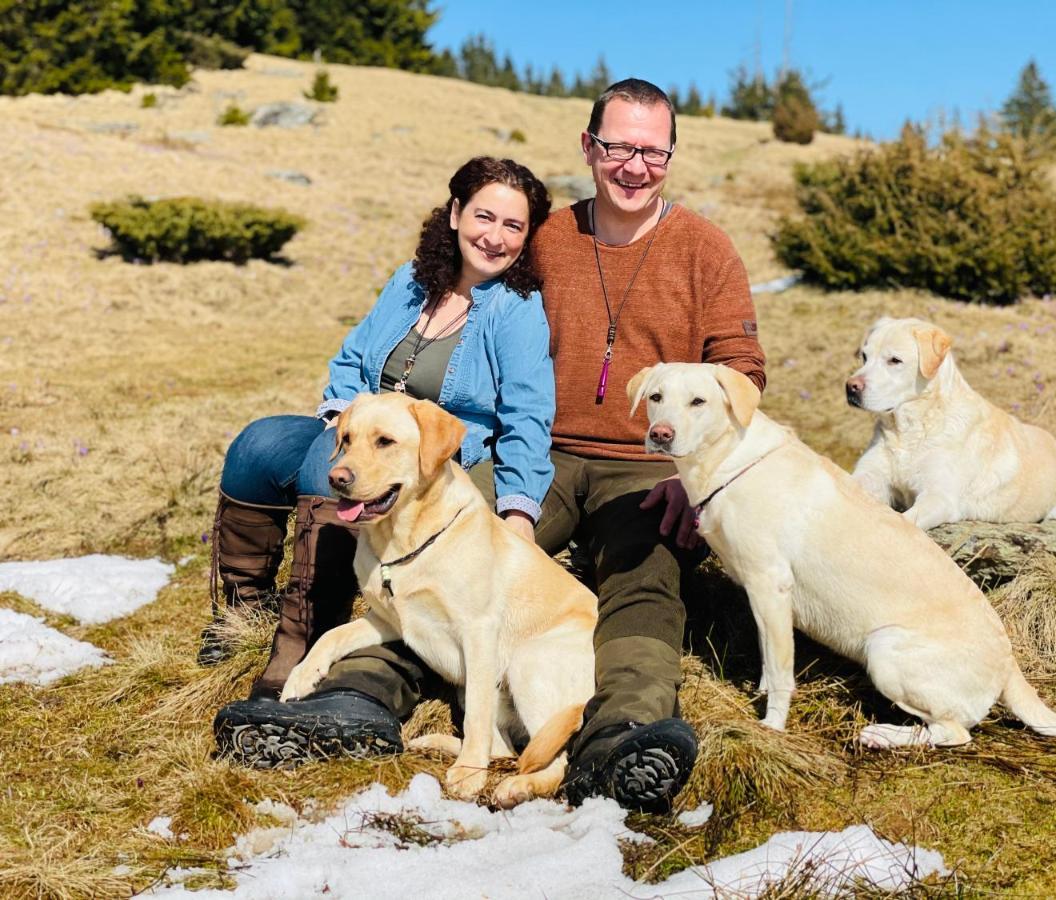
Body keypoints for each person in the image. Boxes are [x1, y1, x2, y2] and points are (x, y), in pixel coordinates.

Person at [214, 80, 766, 813]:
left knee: (644, 580)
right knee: (424, 558)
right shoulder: (548, 237)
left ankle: (621, 734)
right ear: (588, 147)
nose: (634, 165)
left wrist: (698, 476)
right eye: (617, 147)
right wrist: (505, 500)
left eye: (651, 150)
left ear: (671, 153)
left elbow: (741, 373)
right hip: (536, 453)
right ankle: (353, 701)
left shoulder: (706, 250)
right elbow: (470, 282)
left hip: (648, 467)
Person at [201, 156, 555, 709]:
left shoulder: (516, 309)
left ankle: (304, 635)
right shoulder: (413, 281)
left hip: (435, 463)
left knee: (326, 470)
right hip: (360, 429)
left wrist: (518, 509)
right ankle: (244, 609)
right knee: (258, 445)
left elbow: (529, 415)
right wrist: (342, 425)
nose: (495, 237)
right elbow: (350, 360)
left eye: (514, 226)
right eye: (485, 216)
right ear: (457, 213)